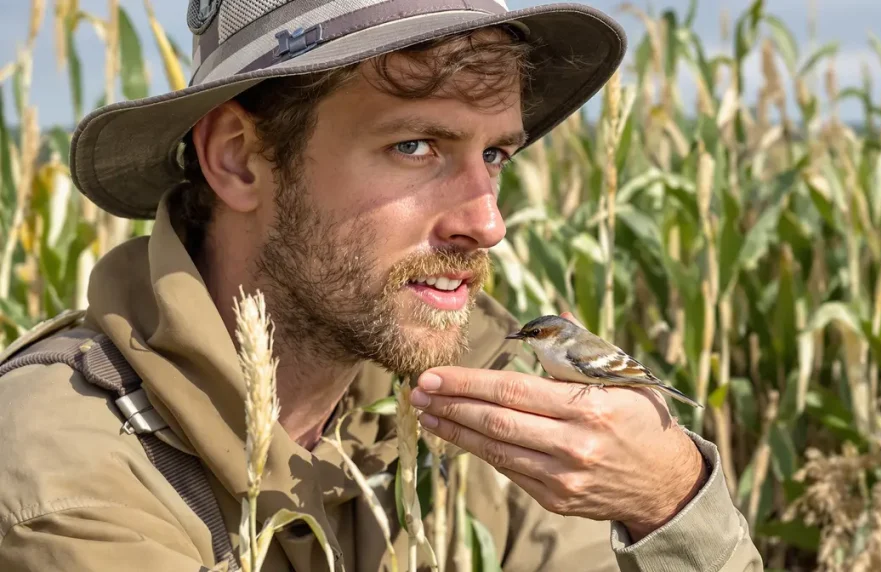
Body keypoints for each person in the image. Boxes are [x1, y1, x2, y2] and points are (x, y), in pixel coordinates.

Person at [0, 1, 763, 571]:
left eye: (495, 155)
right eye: (415, 145)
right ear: (238, 159)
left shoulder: (487, 417)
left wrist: (666, 502)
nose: (487, 223)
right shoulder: (62, 475)